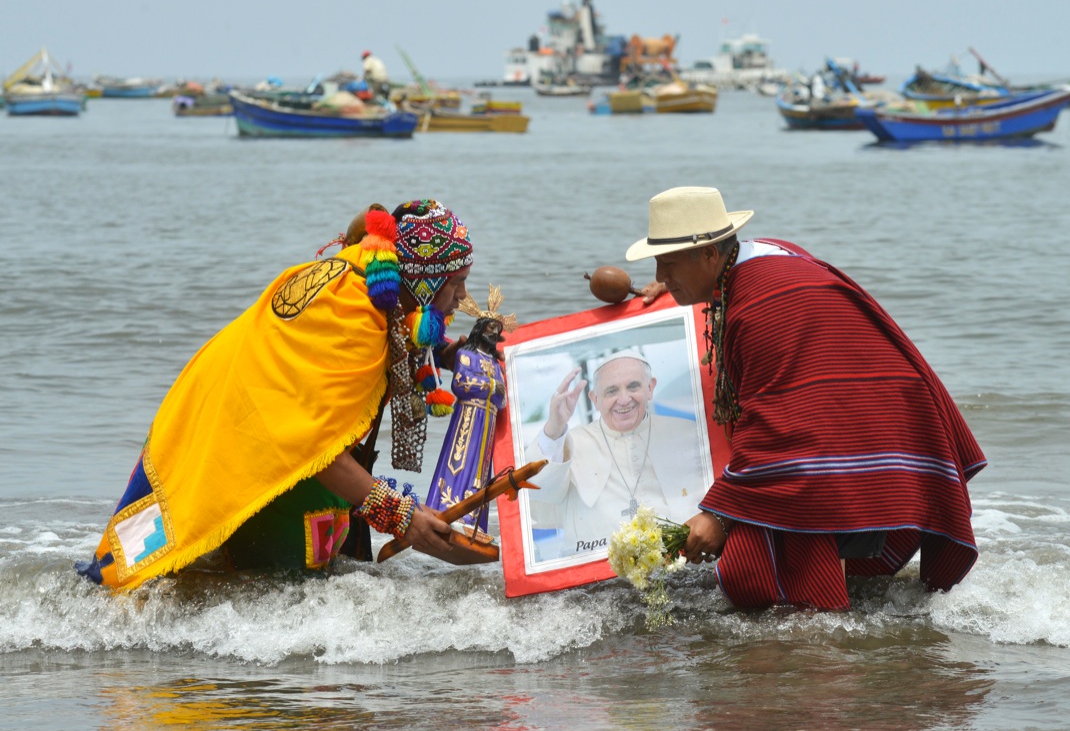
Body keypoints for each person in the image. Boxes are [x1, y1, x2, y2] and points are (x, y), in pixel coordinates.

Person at [78, 199, 480, 589]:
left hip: (221, 407)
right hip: (250, 440)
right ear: (424, 282)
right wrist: (401, 516)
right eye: (456, 282)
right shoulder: (353, 322)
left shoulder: (366, 274)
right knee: (270, 592)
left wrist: (444, 352)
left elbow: (396, 326)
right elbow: (316, 449)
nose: (462, 296)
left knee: (216, 579)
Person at [626, 185, 986, 610]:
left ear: (707, 255)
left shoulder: (757, 309)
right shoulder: (765, 254)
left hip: (873, 413)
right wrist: (673, 286)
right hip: (882, 404)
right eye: (658, 264)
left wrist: (719, 515)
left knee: (761, 566)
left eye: (668, 264)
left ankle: (819, 632)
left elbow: (776, 429)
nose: (661, 274)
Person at [527, 350, 708, 558]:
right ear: (595, 399)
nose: (623, 399)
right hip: (594, 570)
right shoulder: (569, 442)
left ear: (650, 388)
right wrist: (554, 428)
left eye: (633, 386)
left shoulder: (687, 432)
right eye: (611, 391)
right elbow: (540, 490)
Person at [424, 286, 516, 532]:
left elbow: (502, 399)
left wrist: (495, 389)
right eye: (490, 328)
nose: (493, 333)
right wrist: (491, 386)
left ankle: (473, 522)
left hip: (488, 421)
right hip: (468, 416)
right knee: (459, 461)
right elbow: (460, 383)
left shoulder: (495, 364)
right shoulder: (467, 355)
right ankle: (446, 509)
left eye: (497, 330)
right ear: (480, 329)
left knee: (480, 469)